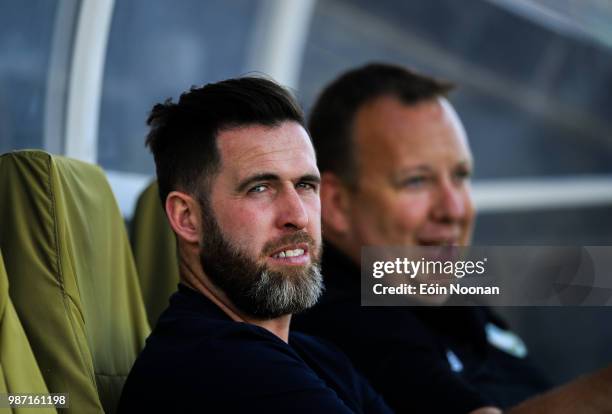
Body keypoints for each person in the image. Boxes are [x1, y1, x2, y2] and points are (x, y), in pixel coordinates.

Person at [292, 63, 612, 414]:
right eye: (417, 181)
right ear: (336, 204)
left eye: (460, 177)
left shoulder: (444, 299)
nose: (454, 209)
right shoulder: (339, 321)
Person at [118, 77, 392, 413]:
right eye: (260, 188)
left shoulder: (317, 356)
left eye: (305, 185)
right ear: (187, 217)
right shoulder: (216, 367)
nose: (298, 216)